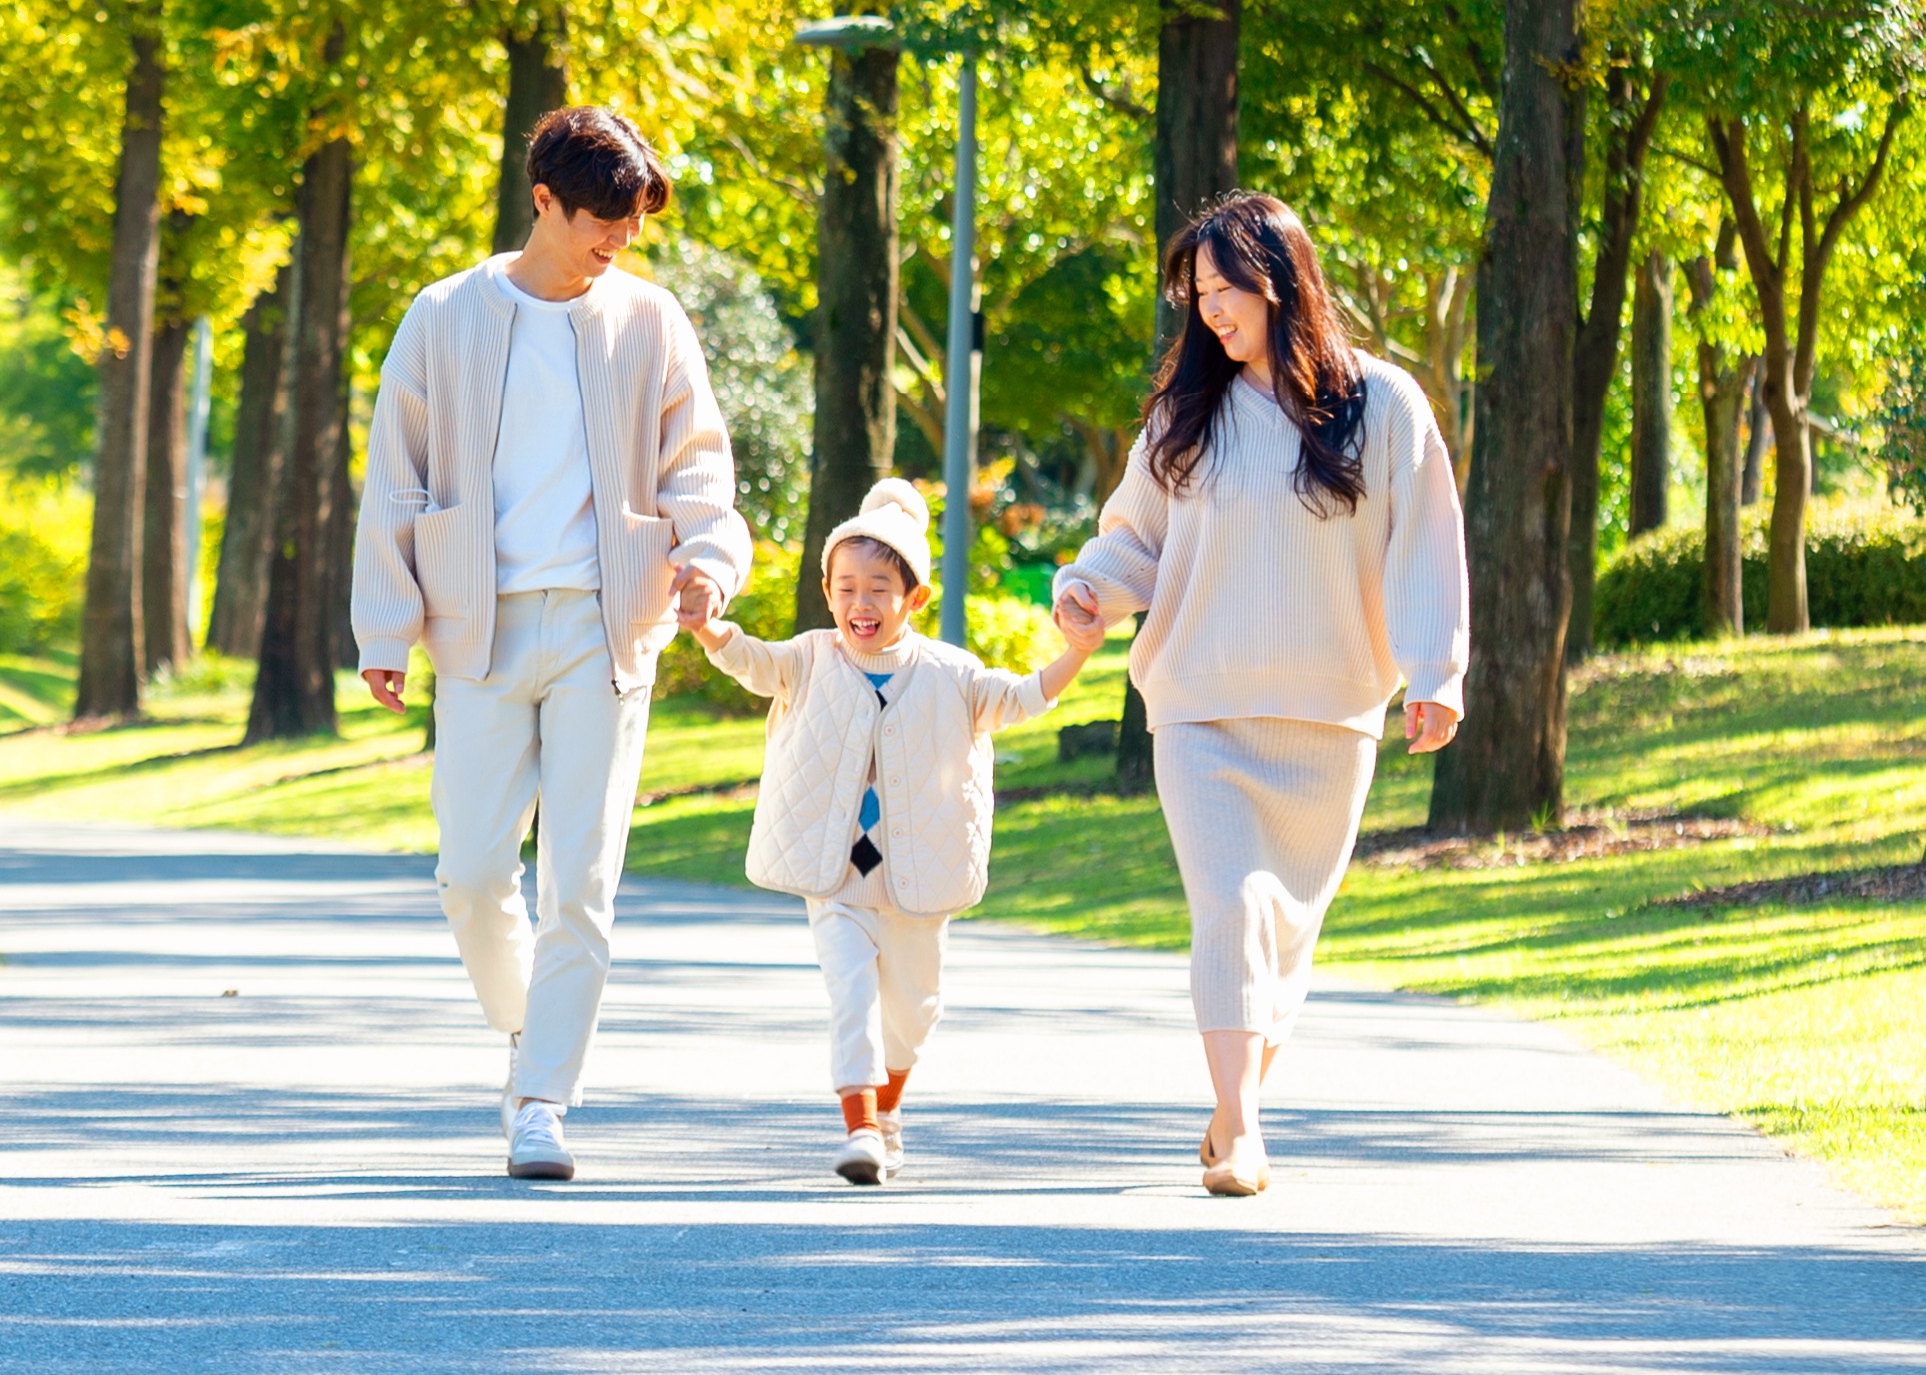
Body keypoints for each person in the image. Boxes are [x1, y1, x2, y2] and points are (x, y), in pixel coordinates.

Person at [352, 104, 750, 1181]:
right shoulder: (443, 316)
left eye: (630, 224)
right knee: (474, 874)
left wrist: (709, 557)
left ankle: (542, 1101)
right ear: (544, 201)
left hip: (606, 626)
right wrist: (386, 625)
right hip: (476, 626)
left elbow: (697, 462)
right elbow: (398, 472)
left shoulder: (651, 320)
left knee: (582, 881)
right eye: (600, 221)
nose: (618, 241)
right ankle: (530, 1031)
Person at [1051, 191, 1466, 1199]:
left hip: (1330, 716)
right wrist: (1090, 586)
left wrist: (1436, 670)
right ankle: (1241, 1129)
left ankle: (1231, 1103)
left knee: (1284, 934)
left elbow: (1426, 541)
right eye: (1197, 296)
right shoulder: (1184, 417)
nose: (1209, 313)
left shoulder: (1387, 405)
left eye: (1223, 289)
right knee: (1230, 908)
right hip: (1199, 707)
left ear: (1279, 280)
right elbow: (1136, 536)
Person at [690, 475, 1106, 1185]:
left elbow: (1019, 698)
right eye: (846, 587)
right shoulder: (810, 658)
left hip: (918, 876)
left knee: (913, 1011)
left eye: (879, 588)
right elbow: (750, 659)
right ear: (828, 594)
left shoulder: (951, 673)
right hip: (837, 875)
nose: (861, 603)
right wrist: (706, 625)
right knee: (850, 991)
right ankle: (858, 1130)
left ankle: (886, 1113)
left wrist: (1078, 653)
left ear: (913, 598)